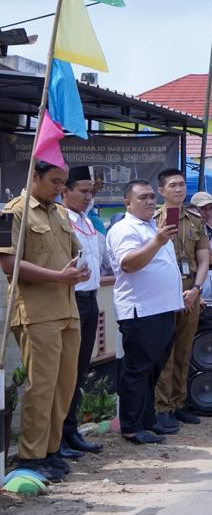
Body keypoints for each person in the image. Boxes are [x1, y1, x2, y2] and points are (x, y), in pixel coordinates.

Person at [0, 162, 87, 481]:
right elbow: (9, 263)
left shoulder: (60, 213)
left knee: (64, 387)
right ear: (34, 177)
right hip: (36, 313)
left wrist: (80, 271)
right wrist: (59, 276)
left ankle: (51, 450)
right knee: (42, 386)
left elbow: (73, 255)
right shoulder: (15, 211)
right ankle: (30, 456)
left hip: (67, 309)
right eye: (54, 181)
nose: (59, 188)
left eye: (63, 183)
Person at [106, 179, 183, 446]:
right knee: (137, 370)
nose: (150, 201)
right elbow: (128, 264)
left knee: (153, 369)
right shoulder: (124, 228)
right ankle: (130, 426)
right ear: (128, 202)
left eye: (152, 197)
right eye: (143, 198)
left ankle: (146, 420)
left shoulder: (153, 227)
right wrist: (158, 241)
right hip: (141, 310)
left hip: (162, 308)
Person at [151, 169, 210, 433]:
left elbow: (203, 258)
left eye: (182, 184)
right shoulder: (152, 220)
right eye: (173, 185)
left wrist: (197, 288)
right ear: (161, 191)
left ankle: (179, 402)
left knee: (185, 349)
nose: (179, 189)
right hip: (162, 292)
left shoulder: (195, 219)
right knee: (166, 351)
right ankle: (162, 407)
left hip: (189, 290)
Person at [59, 166, 111, 455]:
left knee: (79, 369)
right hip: (71, 299)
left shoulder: (88, 221)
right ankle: (59, 435)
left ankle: (70, 429)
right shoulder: (61, 220)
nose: (88, 196)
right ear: (64, 191)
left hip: (90, 298)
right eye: (83, 191)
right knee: (66, 370)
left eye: (91, 191)